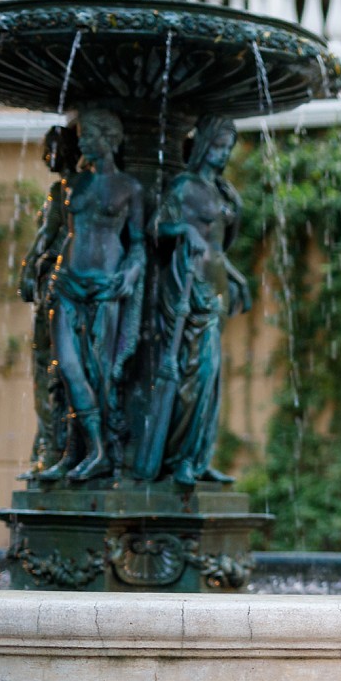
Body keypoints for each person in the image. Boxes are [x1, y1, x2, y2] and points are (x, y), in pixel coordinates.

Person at [39, 108, 146, 482]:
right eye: (81, 135)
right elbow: (68, 233)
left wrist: (132, 272)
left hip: (105, 289)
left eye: (89, 134)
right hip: (67, 284)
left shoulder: (130, 188)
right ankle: (77, 450)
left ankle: (96, 452)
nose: (81, 141)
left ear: (109, 138)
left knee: (98, 373)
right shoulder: (75, 186)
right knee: (68, 370)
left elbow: (137, 243)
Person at [149, 114, 250, 486]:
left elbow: (220, 246)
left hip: (218, 286)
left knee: (211, 376)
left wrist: (237, 277)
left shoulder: (225, 194)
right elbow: (156, 228)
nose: (223, 155)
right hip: (189, 289)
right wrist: (184, 229)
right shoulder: (184, 187)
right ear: (204, 145)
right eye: (219, 147)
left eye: (228, 149)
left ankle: (198, 456)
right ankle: (176, 459)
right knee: (195, 372)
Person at [16, 125, 77, 480]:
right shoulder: (66, 190)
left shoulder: (65, 192)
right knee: (53, 372)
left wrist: (27, 272)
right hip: (58, 287)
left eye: (51, 149)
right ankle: (51, 447)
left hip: (59, 289)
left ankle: (54, 448)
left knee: (51, 371)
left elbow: (44, 237)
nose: (46, 157)